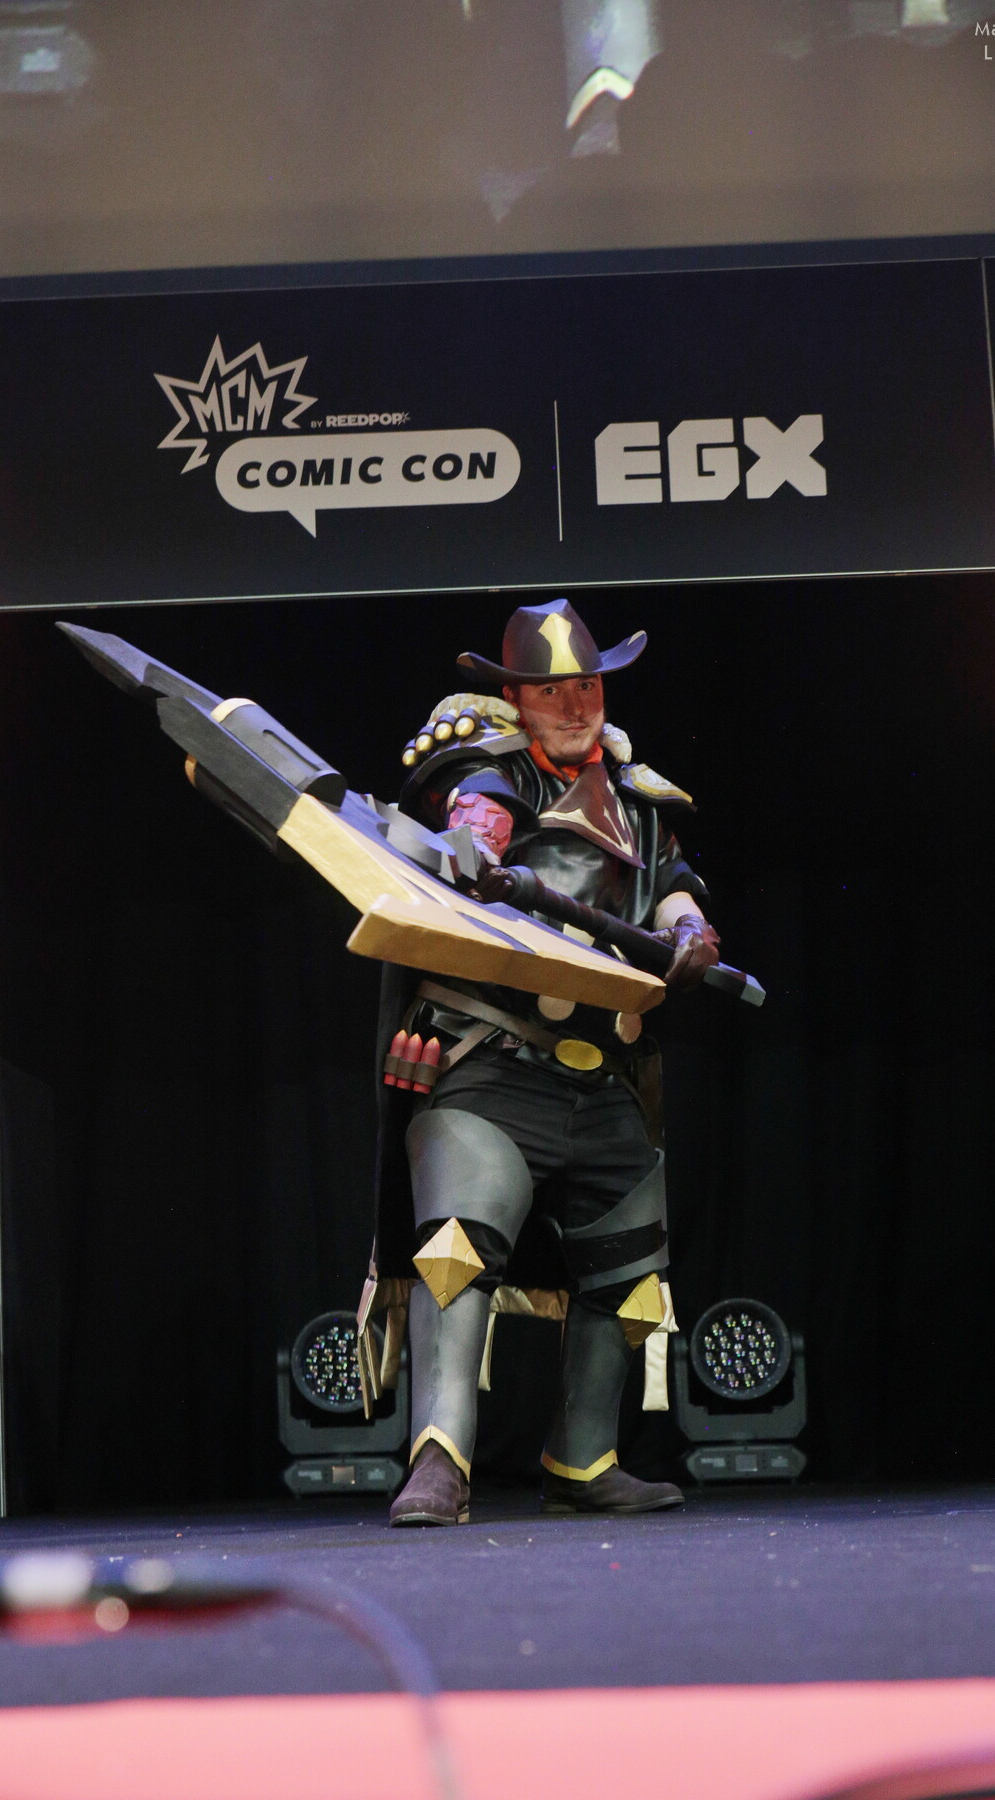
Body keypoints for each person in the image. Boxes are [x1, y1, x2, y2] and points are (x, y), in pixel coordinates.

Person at [380, 598, 720, 1525]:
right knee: (456, 1251)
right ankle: (439, 1459)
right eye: (551, 690)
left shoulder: (641, 800)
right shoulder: (492, 775)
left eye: (587, 687)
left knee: (631, 1272)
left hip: (603, 1075)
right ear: (518, 699)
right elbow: (466, 839)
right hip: (495, 1061)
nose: (573, 705)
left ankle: (583, 1458)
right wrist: (476, 856)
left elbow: (673, 889)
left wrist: (691, 933)